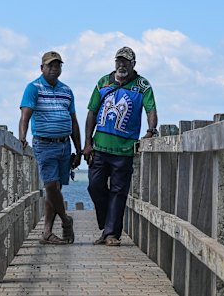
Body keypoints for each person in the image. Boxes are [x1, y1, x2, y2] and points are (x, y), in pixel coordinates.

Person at [83, 46, 158, 246]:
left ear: (134, 64)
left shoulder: (143, 85)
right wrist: (87, 143)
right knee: (94, 186)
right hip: (100, 147)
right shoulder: (103, 82)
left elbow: (151, 109)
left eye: (126, 61)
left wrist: (151, 130)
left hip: (124, 150)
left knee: (118, 191)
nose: (121, 64)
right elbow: (91, 112)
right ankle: (108, 225)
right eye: (118, 61)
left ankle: (111, 234)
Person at [19, 50, 82, 245]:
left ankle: (47, 232)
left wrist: (78, 150)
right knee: (51, 186)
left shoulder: (66, 90)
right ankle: (65, 220)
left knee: (55, 188)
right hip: (44, 144)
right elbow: (25, 116)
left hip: (64, 145)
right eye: (50, 66)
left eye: (58, 66)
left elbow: (73, 121)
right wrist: (22, 137)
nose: (54, 69)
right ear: (42, 68)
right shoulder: (34, 88)